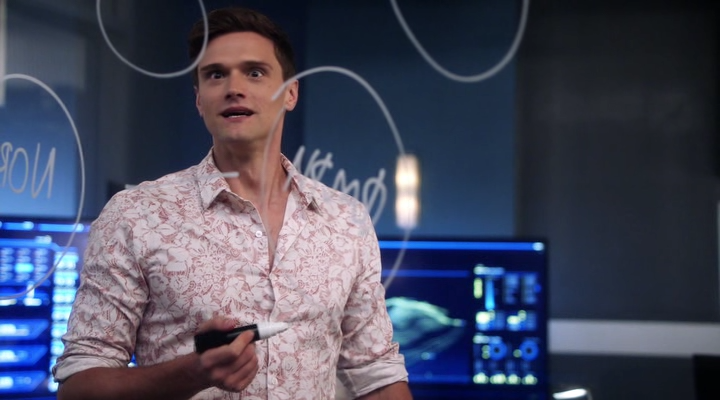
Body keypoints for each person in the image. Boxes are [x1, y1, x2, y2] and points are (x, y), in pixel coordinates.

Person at [52, 6, 411, 400]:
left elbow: (376, 374)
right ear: (199, 100)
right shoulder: (136, 215)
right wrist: (193, 372)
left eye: (254, 73)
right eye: (215, 75)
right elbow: (78, 387)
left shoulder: (345, 220)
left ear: (290, 93)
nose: (233, 88)